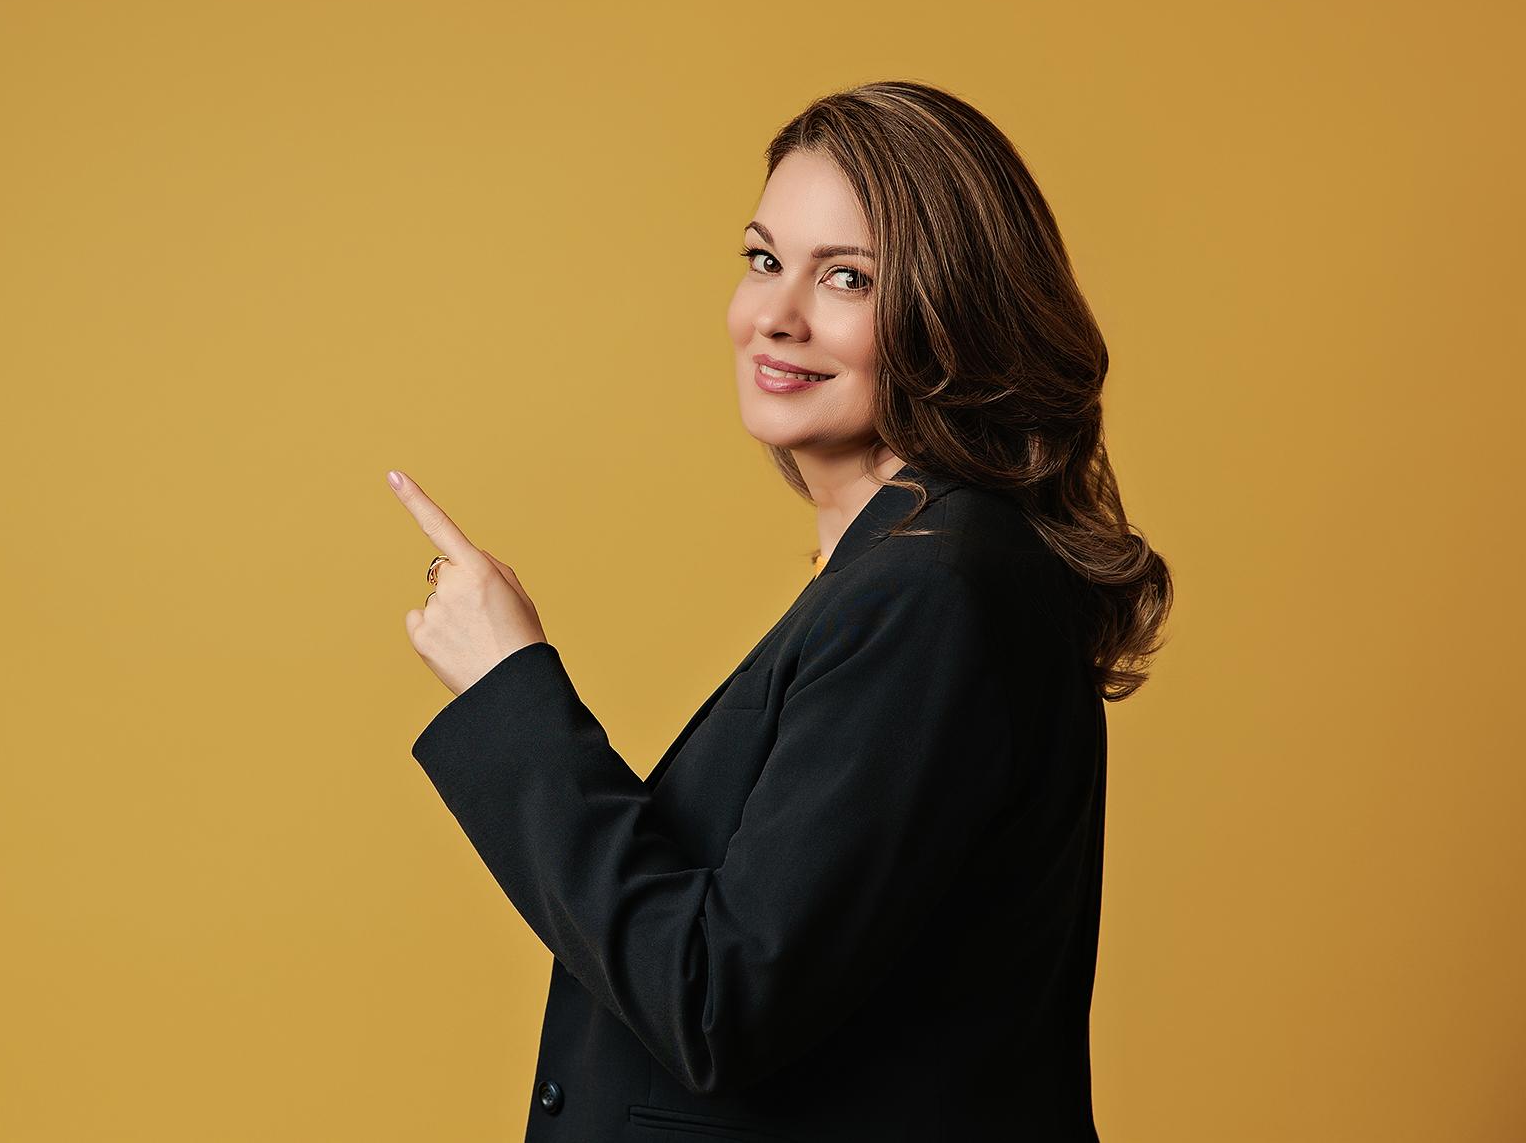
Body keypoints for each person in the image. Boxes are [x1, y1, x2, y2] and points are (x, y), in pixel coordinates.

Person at [388, 80, 1173, 1142]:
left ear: (954, 315)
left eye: (844, 278)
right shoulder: (909, 568)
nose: (774, 314)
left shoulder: (930, 591)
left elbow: (718, 1000)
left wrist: (508, 690)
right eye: (763, 259)